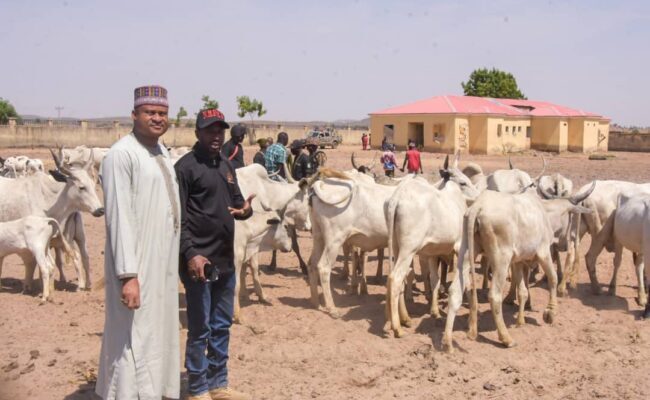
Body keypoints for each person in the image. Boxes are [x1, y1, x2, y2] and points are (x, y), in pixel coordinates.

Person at [96, 85, 181, 400]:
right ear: (134, 115)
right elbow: (118, 219)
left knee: (155, 335)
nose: (157, 118)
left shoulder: (162, 152)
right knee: (131, 338)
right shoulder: (121, 154)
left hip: (162, 264)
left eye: (162, 113)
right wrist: (128, 275)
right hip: (136, 267)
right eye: (150, 113)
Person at [175, 108, 254, 400]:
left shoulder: (225, 165)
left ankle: (218, 382)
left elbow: (238, 205)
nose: (217, 136)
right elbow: (178, 219)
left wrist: (247, 210)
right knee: (200, 328)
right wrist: (191, 254)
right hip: (199, 263)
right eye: (210, 130)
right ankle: (197, 388)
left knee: (222, 324)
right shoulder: (185, 168)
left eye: (220, 130)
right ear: (197, 133)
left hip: (224, 260)